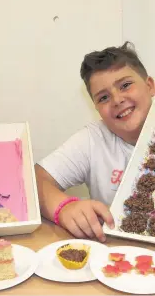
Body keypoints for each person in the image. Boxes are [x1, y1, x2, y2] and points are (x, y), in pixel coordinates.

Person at [35, 42, 154, 242]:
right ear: (96, 108)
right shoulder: (92, 140)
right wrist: (63, 208)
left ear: (150, 86)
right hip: (118, 256)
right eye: (104, 97)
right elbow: (34, 180)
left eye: (125, 85)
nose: (117, 100)